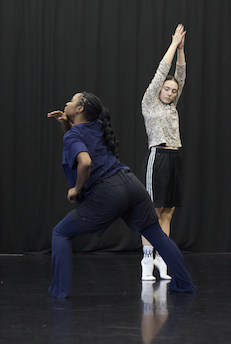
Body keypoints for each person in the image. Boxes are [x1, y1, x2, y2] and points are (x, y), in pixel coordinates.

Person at [47, 91, 196, 298]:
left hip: (109, 192)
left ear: (80, 109)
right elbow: (76, 137)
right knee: (156, 235)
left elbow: (85, 161)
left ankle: (60, 292)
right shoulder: (97, 126)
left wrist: (77, 189)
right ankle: (185, 284)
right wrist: (65, 123)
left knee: (60, 233)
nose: (67, 102)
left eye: (71, 100)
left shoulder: (75, 135)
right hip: (131, 184)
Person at [140, 24, 186, 281]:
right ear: (159, 90)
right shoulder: (150, 102)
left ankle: (162, 259)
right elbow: (163, 72)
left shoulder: (172, 106)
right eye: (167, 89)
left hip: (175, 158)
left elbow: (181, 73)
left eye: (174, 90)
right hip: (157, 158)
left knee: (168, 211)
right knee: (152, 211)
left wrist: (181, 50)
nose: (170, 92)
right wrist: (172, 44)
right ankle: (147, 261)